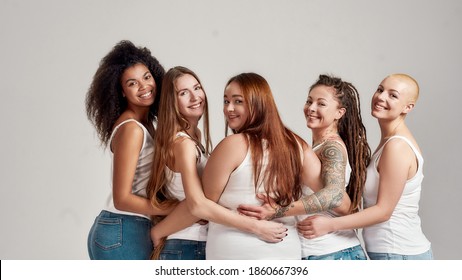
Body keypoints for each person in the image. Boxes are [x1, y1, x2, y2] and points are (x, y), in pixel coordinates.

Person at [147, 69, 292, 260]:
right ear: (171, 102)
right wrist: (257, 226)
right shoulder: (183, 145)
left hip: (196, 242)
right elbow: (197, 205)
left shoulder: (195, 138)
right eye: (183, 93)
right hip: (187, 243)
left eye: (197, 88)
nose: (195, 97)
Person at [300, 73, 433, 260]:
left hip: (400, 253)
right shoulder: (388, 143)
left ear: (408, 107)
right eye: (380, 89)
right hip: (390, 252)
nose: (381, 97)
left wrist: (329, 225)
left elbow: (383, 211)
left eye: (393, 95)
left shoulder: (397, 146)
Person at [238, 74, 371, 260]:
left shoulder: (331, 147)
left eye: (321, 104)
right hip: (321, 254)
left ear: (339, 113)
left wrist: (277, 210)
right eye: (309, 101)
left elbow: (334, 195)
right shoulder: (316, 147)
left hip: (334, 253)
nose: (311, 108)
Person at [85, 40, 175, 260]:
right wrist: (175, 209)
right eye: (132, 83)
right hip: (123, 228)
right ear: (122, 92)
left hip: (128, 227)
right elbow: (122, 199)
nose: (144, 86)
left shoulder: (146, 124)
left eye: (146, 77)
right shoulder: (132, 129)